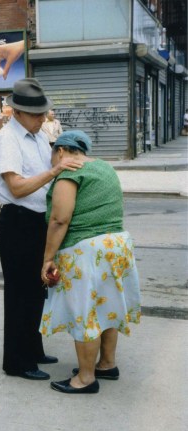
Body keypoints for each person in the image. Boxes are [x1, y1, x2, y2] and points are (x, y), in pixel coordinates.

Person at [0, 78, 83, 381]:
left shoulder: (39, 135)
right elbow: (16, 187)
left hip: (36, 220)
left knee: (37, 290)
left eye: (43, 113)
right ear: (16, 112)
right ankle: (16, 362)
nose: (42, 118)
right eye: (35, 114)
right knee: (19, 293)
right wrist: (54, 171)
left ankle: (33, 348)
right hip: (18, 220)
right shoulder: (8, 140)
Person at [40, 130, 141, 394]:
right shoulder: (105, 168)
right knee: (105, 307)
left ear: (61, 151)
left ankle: (85, 378)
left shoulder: (70, 173)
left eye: (52, 154)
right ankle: (107, 364)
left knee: (85, 312)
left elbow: (60, 220)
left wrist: (48, 258)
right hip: (116, 245)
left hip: (87, 249)